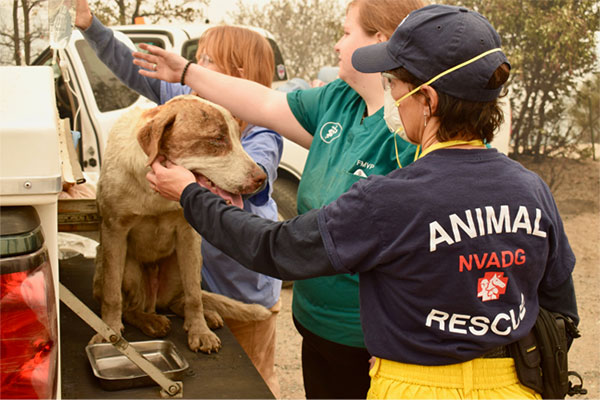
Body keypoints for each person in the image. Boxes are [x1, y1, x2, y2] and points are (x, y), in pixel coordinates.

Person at [143, 4, 579, 399]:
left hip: (413, 385)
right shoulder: (531, 189)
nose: (389, 94)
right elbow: (560, 307)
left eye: (394, 84)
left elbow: (275, 248)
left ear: (425, 101)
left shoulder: (391, 199)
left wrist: (188, 193)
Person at [133, 0, 425, 397]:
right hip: (313, 324)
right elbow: (264, 102)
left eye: (345, 32)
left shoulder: (412, 135)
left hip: (372, 344)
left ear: (381, 40)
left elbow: (424, 254)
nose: (337, 46)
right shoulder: (339, 100)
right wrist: (186, 72)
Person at [73, 2, 283, 397]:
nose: (193, 68)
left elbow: (255, 173)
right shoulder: (191, 103)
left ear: (238, 76)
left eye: (205, 61)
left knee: (253, 380)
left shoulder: (264, 131)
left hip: (246, 284)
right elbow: (133, 67)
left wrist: (208, 182)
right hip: (201, 282)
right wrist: (91, 27)